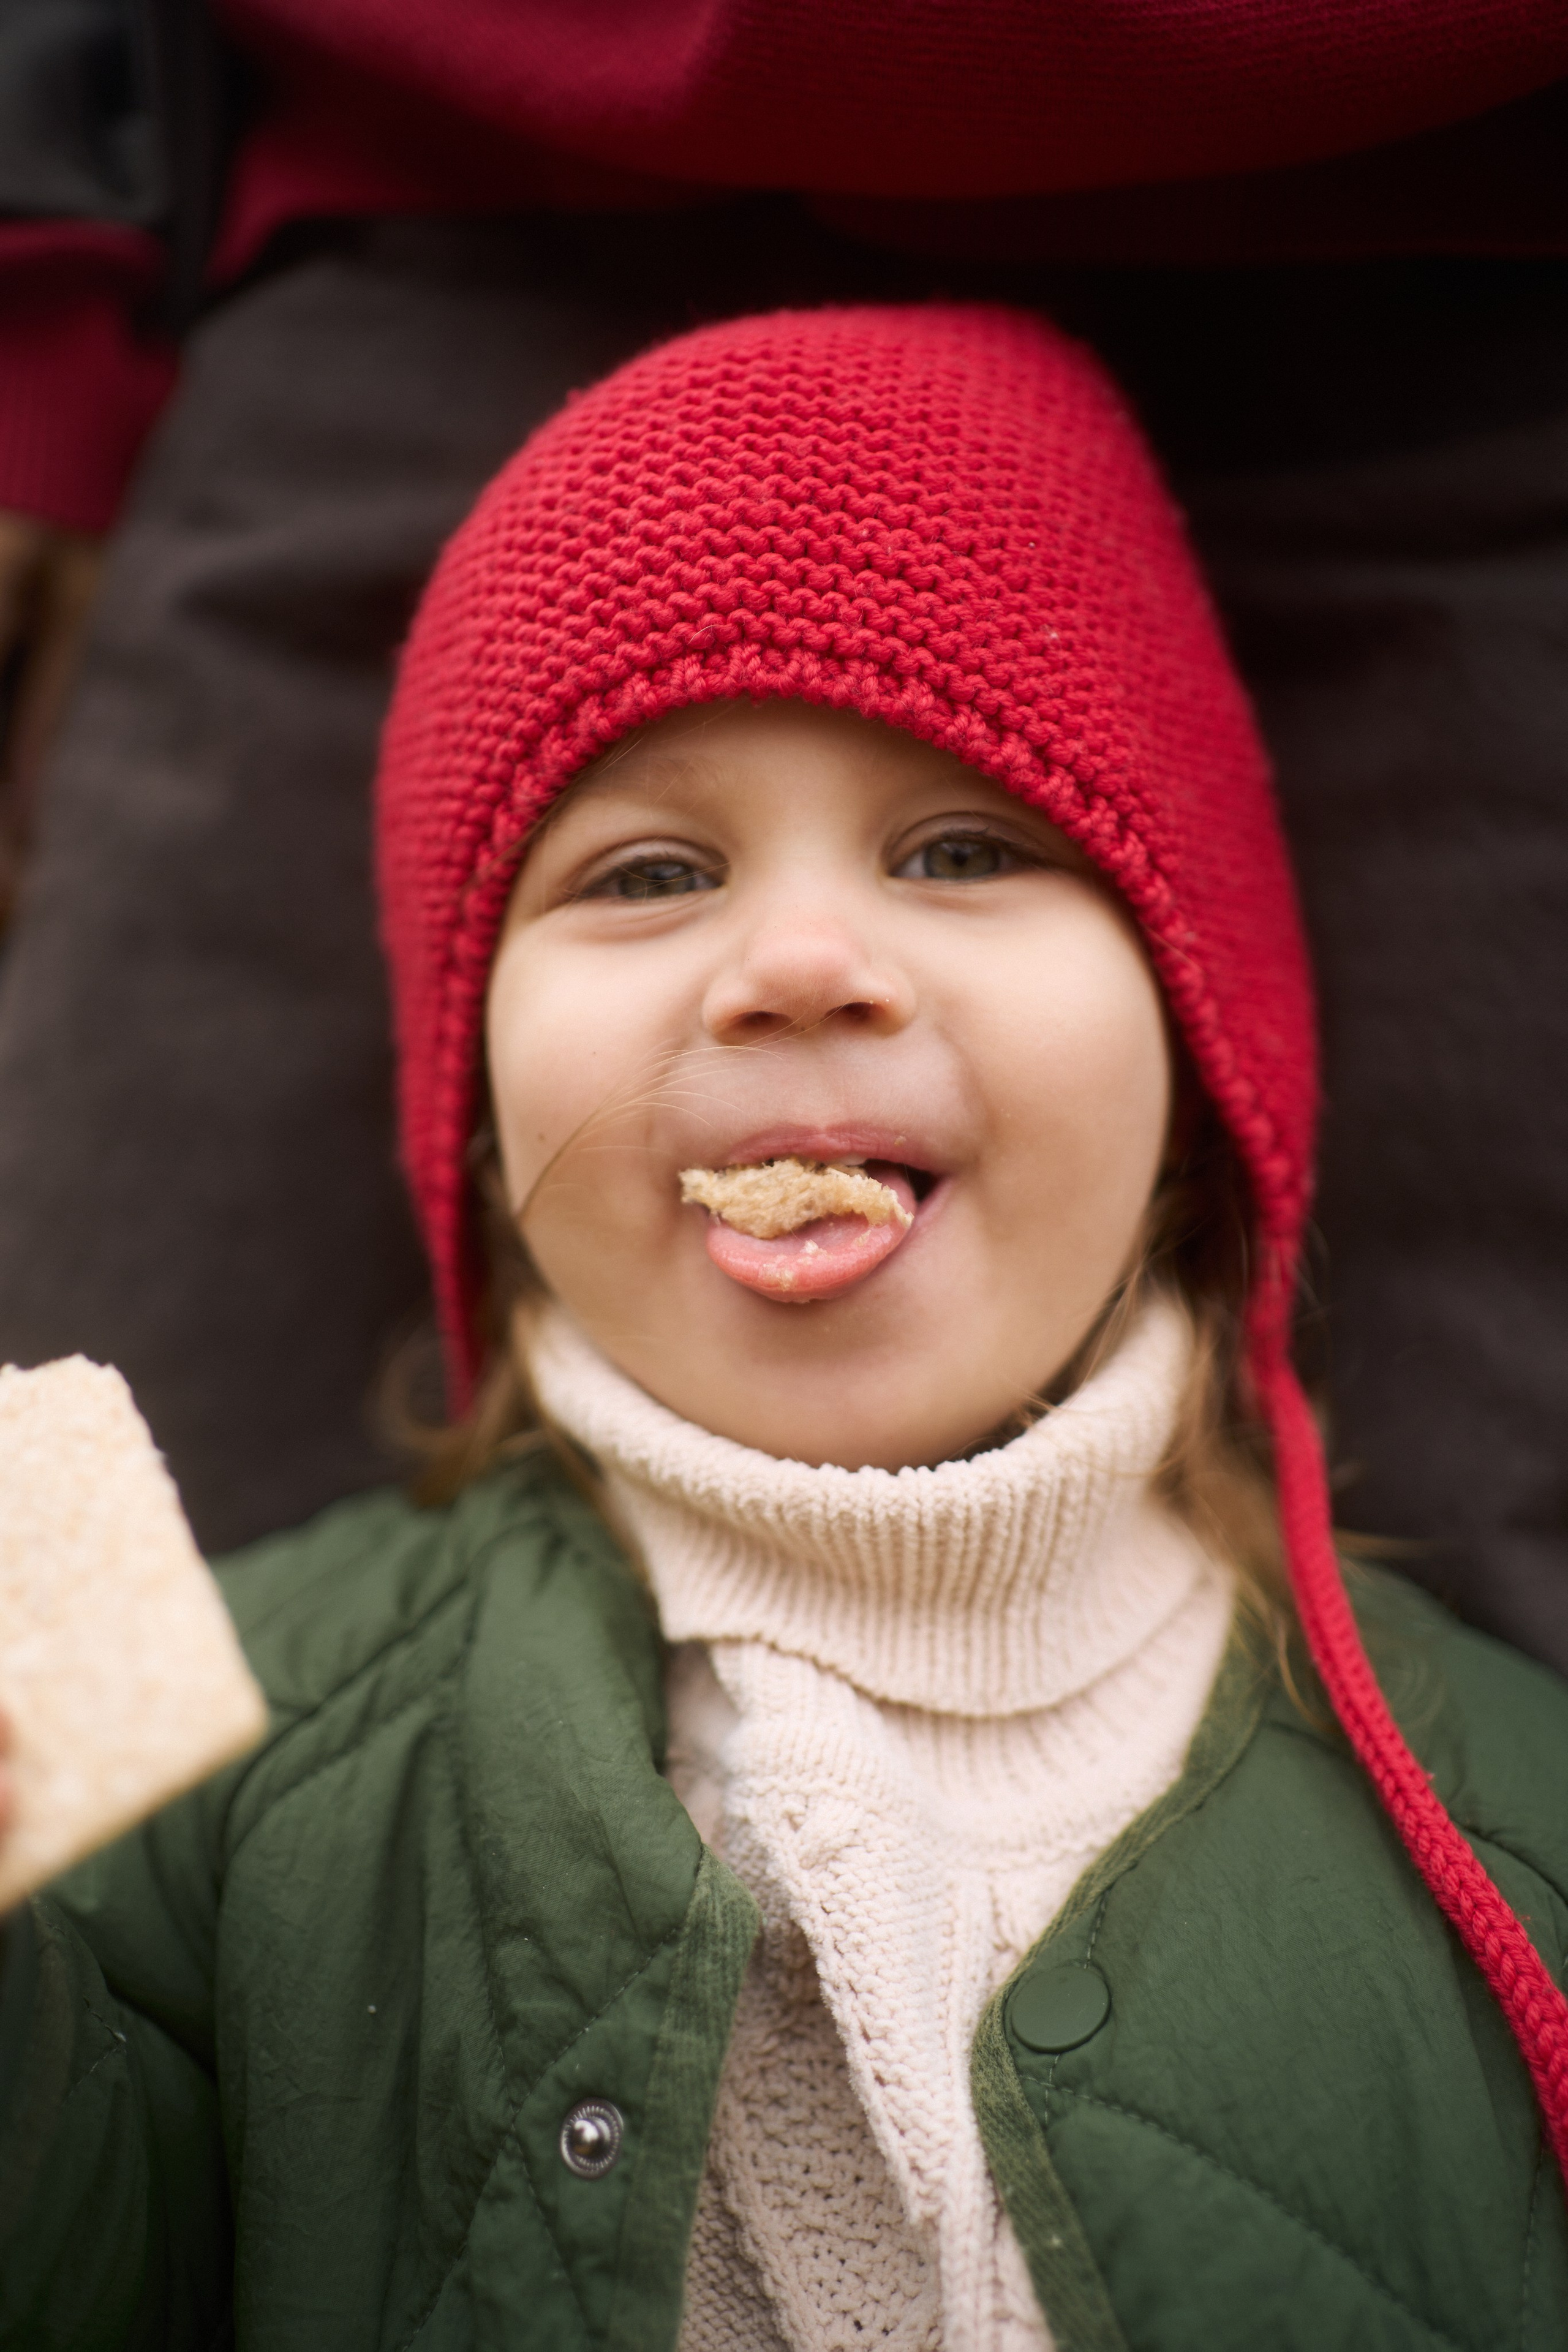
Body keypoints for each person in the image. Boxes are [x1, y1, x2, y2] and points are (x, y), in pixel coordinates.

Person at [2, 302, 1566, 2350]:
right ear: (469, 1124)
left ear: (1202, 1074)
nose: (803, 963)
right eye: (649, 872)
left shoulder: (1510, 1805)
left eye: (964, 847)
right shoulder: (180, 1687)